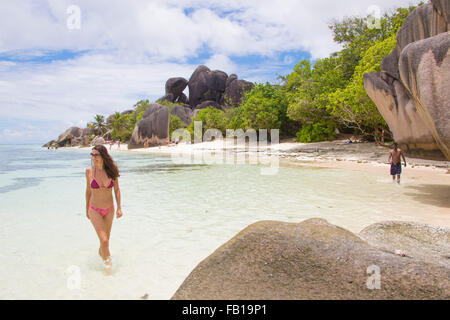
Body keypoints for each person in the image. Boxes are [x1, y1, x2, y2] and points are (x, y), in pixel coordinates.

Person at [85, 145, 123, 273]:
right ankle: (108, 268)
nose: (93, 157)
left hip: (109, 210)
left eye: (96, 155)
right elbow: (88, 191)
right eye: (92, 155)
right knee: (104, 240)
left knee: (106, 240)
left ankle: (101, 255)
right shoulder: (89, 171)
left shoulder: (112, 170)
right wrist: (86, 209)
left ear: (103, 156)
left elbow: (117, 190)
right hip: (94, 209)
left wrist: (119, 208)